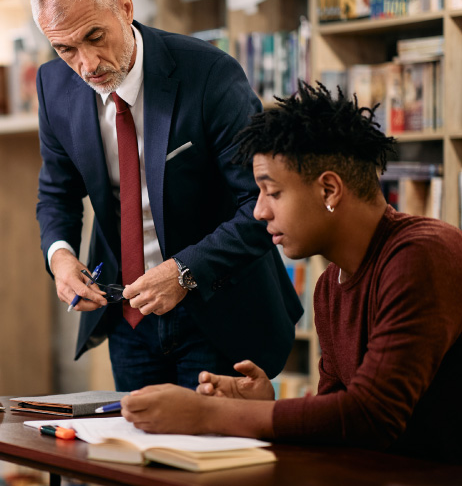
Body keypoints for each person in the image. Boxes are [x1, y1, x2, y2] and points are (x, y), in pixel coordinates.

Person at [121, 82, 462, 463]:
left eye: (273, 192)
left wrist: (208, 414)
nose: (259, 211)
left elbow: (370, 417)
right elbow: (338, 422)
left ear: (329, 190)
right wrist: (266, 407)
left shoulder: (423, 254)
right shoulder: (329, 286)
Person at [30, 0, 302, 391]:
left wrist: (184, 272)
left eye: (95, 37)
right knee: (135, 436)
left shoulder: (210, 74)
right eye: (65, 49)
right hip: (128, 320)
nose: (87, 64)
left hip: (217, 310)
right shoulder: (54, 86)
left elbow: (262, 203)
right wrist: (59, 255)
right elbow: (57, 193)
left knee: (208, 437)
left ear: (125, 7)